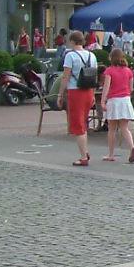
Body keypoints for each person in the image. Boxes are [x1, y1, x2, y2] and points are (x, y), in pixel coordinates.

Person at [59, 30, 97, 167]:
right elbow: (94, 76)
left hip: (75, 91)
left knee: (78, 124)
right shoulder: (92, 56)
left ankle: (83, 157)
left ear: (72, 41)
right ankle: (84, 151)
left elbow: (66, 76)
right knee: (83, 123)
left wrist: (60, 94)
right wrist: (92, 94)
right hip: (88, 91)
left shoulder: (70, 56)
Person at [99, 49, 134, 163]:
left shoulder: (109, 71)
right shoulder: (128, 71)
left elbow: (106, 87)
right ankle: (132, 147)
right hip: (125, 100)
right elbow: (131, 89)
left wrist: (102, 101)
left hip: (114, 100)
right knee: (124, 128)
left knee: (112, 129)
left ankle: (111, 154)